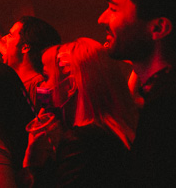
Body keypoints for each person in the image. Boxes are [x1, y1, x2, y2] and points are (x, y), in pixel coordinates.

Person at [98, 0, 176, 186]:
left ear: (158, 28)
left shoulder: (172, 109)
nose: (101, 19)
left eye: (113, 9)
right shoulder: (174, 93)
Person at [24, 38, 135, 187]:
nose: (42, 86)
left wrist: (32, 166)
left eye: (46, 77)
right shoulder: (117, 129)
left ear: (70, 86)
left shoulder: (79, 143)